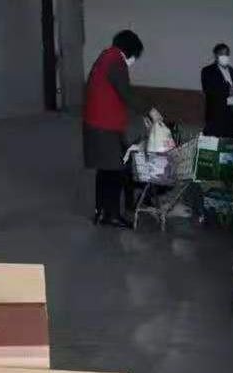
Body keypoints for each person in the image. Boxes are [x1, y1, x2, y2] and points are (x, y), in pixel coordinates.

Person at [84, 30, 157, 228]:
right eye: (135, 56)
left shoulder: (105, 57)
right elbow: (126, 92)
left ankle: (101, 211)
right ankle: (112, 215)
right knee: (116, 169)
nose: (133, 60)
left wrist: (141, 113)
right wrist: (150, 111)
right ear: (130, 50)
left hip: (97, 122)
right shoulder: (116, 61)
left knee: (104, 170)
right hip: (105, 125)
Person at [201, 43, 233, 139]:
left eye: (227, 54)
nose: (225, 57)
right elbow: (208, 89)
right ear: (216, 55)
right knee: (216, 141)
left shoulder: (232, 71)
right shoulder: (208, 71)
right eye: (222, 54)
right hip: (218, 113)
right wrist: (227, 91)